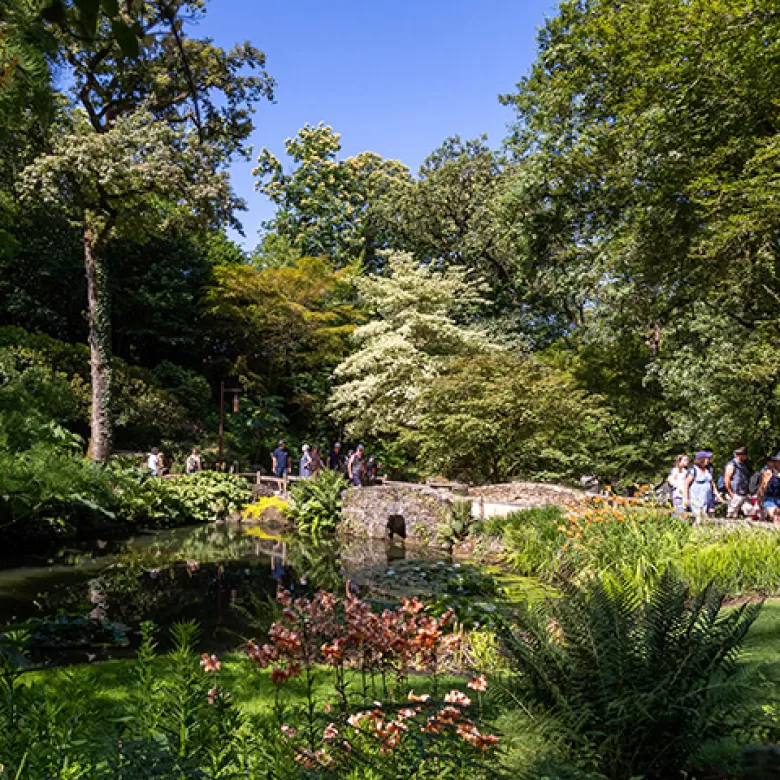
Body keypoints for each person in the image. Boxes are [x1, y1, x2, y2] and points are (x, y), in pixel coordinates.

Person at [684, 450, 722, 520]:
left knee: (705, 517)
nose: (709, 460)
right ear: (701, 459)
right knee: (698, 517)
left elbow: (712, 483)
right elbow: (686, 484)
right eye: (707, 458)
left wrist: (717, 495)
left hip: (707, 499)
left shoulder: (708, 470)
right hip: (696, 498)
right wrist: (686, 498)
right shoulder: (694, 470)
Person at [724, 446, 754, 518]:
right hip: (735, 493)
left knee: (750, 511)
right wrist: (730, 492)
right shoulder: (732, 464)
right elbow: (727, 479)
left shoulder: (745, 464)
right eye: (744, 454)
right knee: (732, 514)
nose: (745, 456)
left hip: (745, 493)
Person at [758, 453, 780, 522]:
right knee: (774, 515)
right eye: (777, 461)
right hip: (770, 499)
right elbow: (762, 487)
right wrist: (759, 501)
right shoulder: (768, 473)